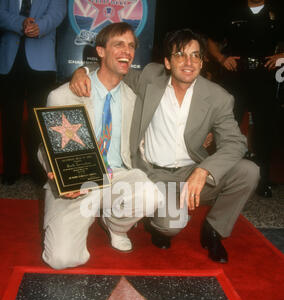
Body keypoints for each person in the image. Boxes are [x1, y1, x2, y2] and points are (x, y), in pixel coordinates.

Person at [70, 28, 260, 264]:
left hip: (192, 173)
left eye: (196, 55)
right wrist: (82, 71)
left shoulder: (218, 97)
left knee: (248, 171)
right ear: (168, 62)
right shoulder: (150, 77)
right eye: (180, 55)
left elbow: (235, 142)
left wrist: (204, 170)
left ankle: (213, 229)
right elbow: (110, 70)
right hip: (154, 174)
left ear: (202, 62)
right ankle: (157, 224)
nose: (189, 62)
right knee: (170, 225)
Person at [38, 23, 163, 270]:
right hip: (79, 182)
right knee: (61, 260)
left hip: (117, 175)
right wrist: (56, 172)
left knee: (151, 194)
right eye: (118, 44)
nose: (126, 51)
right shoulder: (63, 96)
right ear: (101, 52)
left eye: (131, 46)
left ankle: (114, 224)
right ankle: (83, 219)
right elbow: (45, 148)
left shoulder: (134, 99)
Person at [207, 0, 284, 198]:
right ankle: (220, 179)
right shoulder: (231, 9)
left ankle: (263, 179)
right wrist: (222, 59)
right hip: (236, 76)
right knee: (227, 126)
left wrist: (282, 56)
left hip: (264, 75)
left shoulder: (277, 11)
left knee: (265, 130)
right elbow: (211, 41)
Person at [0, 0, 67, 185]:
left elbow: (58, 13)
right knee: (10, 120)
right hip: (9, 63)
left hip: (42, 65)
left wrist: (39, 27)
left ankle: (40, 172)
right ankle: (11, 171)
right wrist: (21, 23)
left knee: (39, 122)